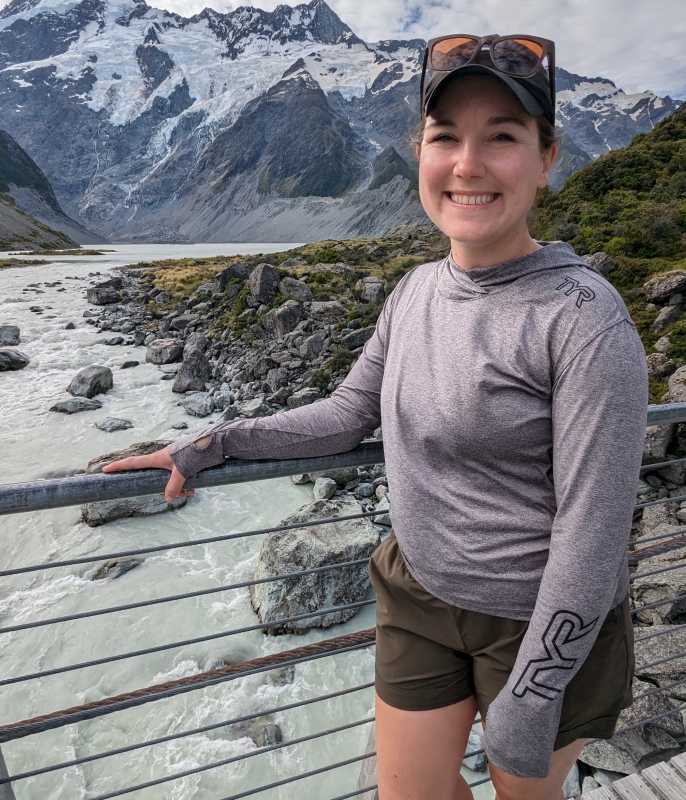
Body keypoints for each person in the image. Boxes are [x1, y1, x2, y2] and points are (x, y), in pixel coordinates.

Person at [103, 33, 648, 800]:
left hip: (536, 621)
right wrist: (208, 443)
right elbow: (348, 413)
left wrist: (532, 693)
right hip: (419, 592)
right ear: (419, 152)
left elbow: (595, 534)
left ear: (548, 157)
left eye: (502, 137)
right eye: (445, 137)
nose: (468, 164)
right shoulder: (417, 289)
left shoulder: (584, 317)